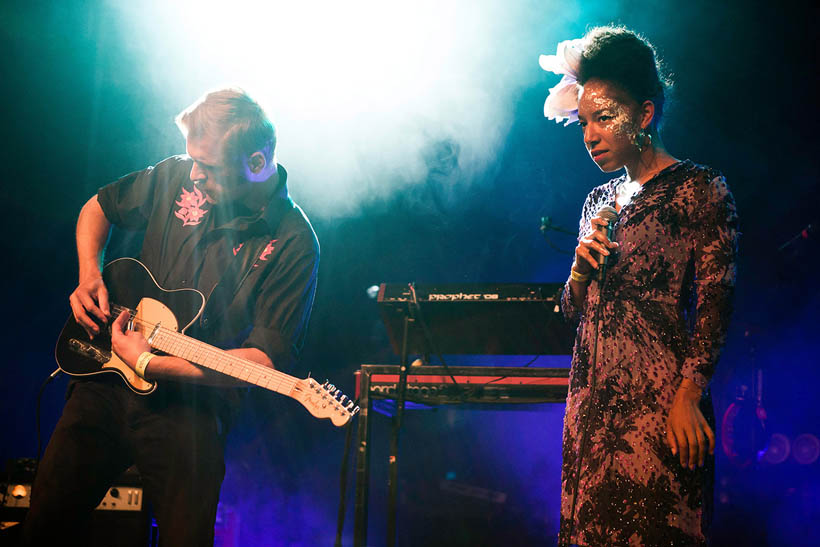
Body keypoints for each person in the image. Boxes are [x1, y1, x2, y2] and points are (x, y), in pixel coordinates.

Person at [23, 88, 319, 546]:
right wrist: (88, 274)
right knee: (43, 527)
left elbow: (262, 362)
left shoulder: (294, 242)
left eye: (210, 167)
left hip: (191, 412)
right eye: (192, 160)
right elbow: (98, 207)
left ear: (257, 163)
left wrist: (149, 362)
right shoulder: (176, 175)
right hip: (104, 380)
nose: (195, 175)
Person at [540, 27, 738, 545]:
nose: (590, 134)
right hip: (591, 411)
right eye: (584, 122)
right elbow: (569, 312)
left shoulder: (699, 189)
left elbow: (717, 299)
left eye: (604, 118)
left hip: (659, 410)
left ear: (644, 114)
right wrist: (579, 270)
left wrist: (689, 394)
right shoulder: (596, 202)